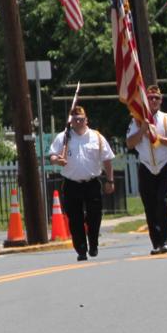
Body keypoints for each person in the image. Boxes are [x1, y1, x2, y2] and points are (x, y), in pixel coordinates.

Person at [49, 106, 114, 261]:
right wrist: (58, 160)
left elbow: (107, 159)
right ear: (71, 121)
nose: (78, 122)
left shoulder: (96, 137)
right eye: (75, 119)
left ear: (86, 120)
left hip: (91, 183)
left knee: (94, 216)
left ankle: (93, 243)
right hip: (72, 184)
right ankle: (81, 249)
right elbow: (52, 155)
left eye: (81, 119)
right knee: (75, 218)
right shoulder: (63, 137)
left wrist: (110, 180)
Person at [126, 85, 167, 255]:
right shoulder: (137, 120)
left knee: (162, 202)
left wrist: (158, 138)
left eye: (156, 98)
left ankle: (166, 240)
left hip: (164, 165)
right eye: (150, 98)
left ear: (161, 100)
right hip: (146, 167)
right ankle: (156, 242)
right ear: (145, 100)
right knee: (150, 206)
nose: (153, 101)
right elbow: (129, 143)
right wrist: (142, 130)